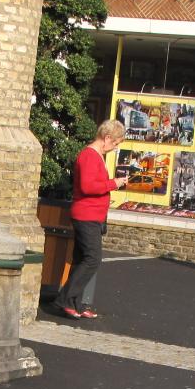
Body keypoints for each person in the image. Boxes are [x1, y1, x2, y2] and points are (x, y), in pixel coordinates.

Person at [55, 120, 127, 319]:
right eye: (115, 143)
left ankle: (76, 303)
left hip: (90, 215)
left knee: (81, 259)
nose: (115, 148)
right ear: (107, 138)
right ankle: (65, 299)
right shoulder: (89, 156)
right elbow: (88, 187)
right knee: (92, 259)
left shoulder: (95, 156)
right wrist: (113, 183)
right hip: (86, 215)